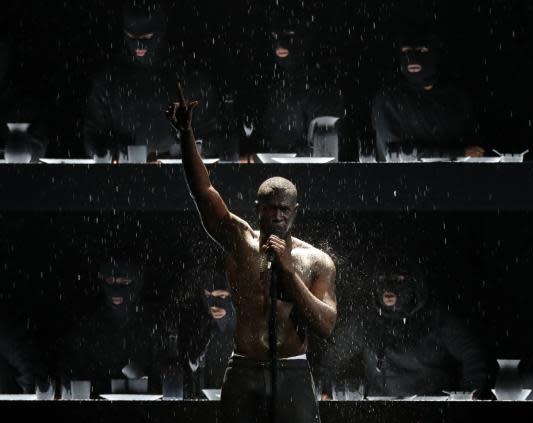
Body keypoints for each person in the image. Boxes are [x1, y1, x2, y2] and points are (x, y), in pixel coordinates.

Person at [166, 83, 337, 422]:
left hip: (292, 371)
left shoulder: (315, 261)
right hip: (244, 365)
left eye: (285, 210)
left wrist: (288, 273)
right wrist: (186, 134)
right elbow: (203, 191)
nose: (278, 216)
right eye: (271, 209)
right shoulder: (240, 241)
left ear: (295, 211)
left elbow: (326, 324)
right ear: (258, 209)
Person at [319, 255, 496, 399]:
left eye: (397, 280)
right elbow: (333, 356)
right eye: (383, 279)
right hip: (381, 410)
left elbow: (474, 355)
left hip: (431, 409)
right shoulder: (367, 321)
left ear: (413, 284)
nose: (388, 286)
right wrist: (324, 391)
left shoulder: (435, 318)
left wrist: (470, 396)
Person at [83, 0, 224, 161]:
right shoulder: (108, 80)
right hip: (125, 174)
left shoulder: (190, 77)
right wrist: (111, 148)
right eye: (131, 36)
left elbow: (215, 138)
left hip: (180, 174)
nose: (139, 44)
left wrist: (189, 144)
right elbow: (92, 136)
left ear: (160, 31)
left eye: (147, 37)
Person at [369, 29, 485, 162]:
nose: (411, 57)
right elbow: (396, 153)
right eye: (406, 51)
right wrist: (457, 153)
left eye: (422, 51)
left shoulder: (456, 97)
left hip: (456, 178)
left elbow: (474, 148)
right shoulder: (388, 99)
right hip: (402, 179)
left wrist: (460, 154)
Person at [238, 16, 343, 157]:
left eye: (289, 35)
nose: (280, 42)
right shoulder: (271, 84)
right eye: (275, 35)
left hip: (304, 171)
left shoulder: (320, 88)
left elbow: (325, 150)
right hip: (272, 169)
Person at [58, 258, 160, 395]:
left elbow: (162, 379)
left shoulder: (152, 326)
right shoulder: (89, 327)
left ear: (136, 283)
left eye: (124, 281)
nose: (116, 289)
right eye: (111, 281)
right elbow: (71, 372)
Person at [179, 268, 237, 396]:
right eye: (208, 296)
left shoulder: (240, 332)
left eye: (221, 296)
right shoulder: (196, 323)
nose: (214, 305)